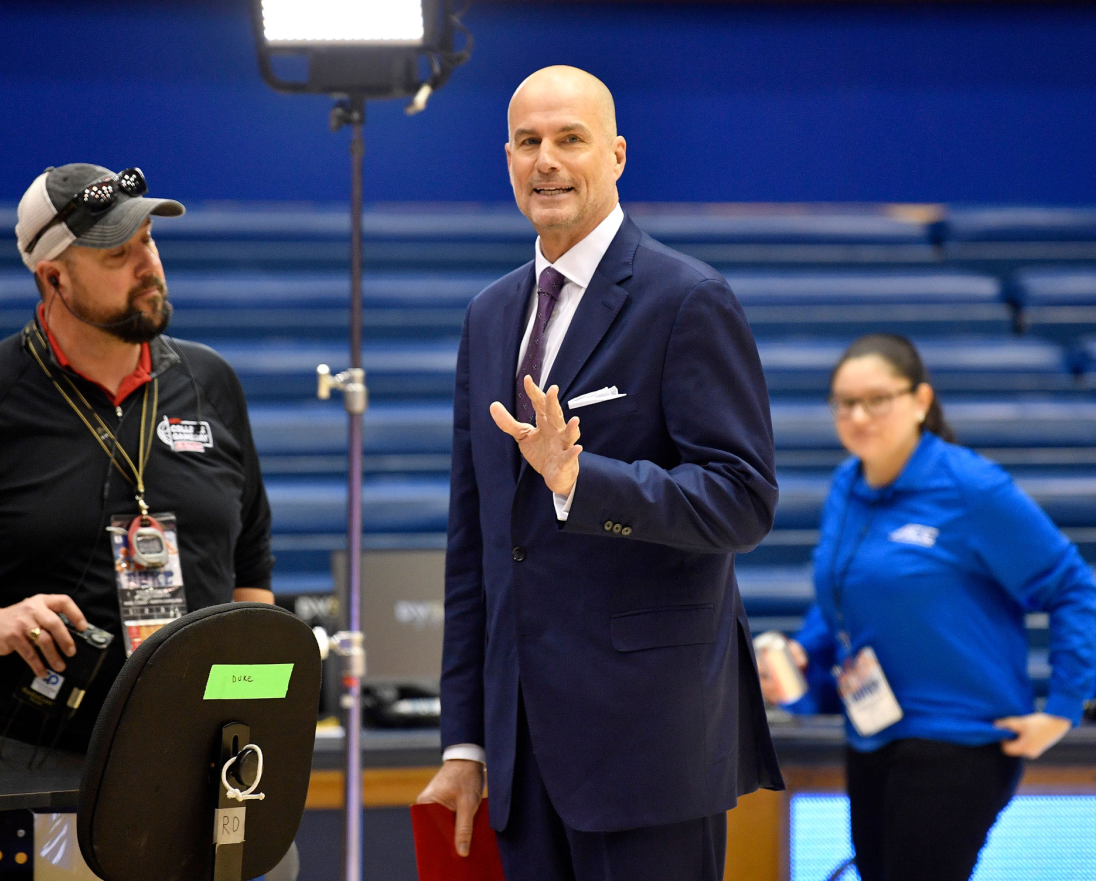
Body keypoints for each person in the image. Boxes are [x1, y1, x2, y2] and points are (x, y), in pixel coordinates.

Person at [415, 66, 782, 881]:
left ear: (616, 155)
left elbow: (743, 500)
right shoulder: (488, 315)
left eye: (570, 139)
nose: (546, 160)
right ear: (506, 158)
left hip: (646, 751)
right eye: (528, 142)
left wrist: (582, 481)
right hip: (519, 757)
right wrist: (467, 739)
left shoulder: (687, 298)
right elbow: (474, 545)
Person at [0, 163, 275, 771]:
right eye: (116, 254)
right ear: (54, 277)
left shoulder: (211, 382)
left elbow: (249, 568)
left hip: (195, 758)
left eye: (148, 239)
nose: (148, 266)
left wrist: (248, 709)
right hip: (16, 757)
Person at [762, 333, 1096, 881]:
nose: (859, 415)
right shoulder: (847, 484)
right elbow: (843, 594)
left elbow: (1071, 585)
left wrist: (1063, 707)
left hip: (958, 740)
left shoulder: (971, 487)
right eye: (845, 403)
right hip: (873, 731)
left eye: (877, 399)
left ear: (920, 400)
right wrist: (804, 649)